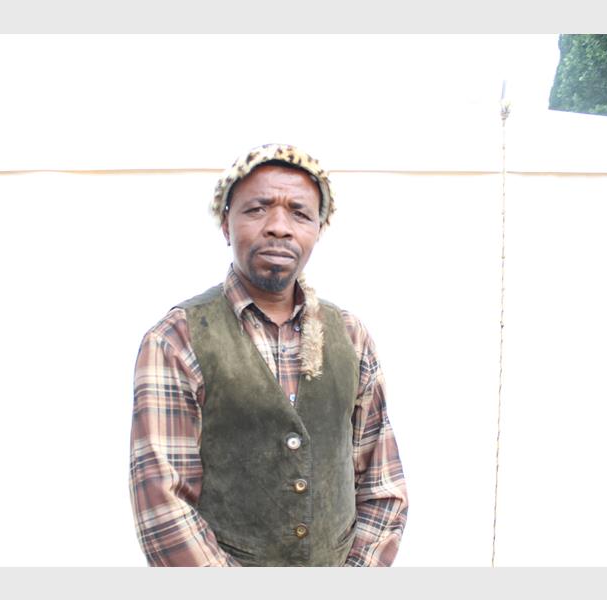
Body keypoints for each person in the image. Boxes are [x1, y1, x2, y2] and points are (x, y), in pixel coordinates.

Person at [129, 143, 408, 566]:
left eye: (299, 213)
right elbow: (163, 505)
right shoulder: (177, 339)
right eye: (258, 209)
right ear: (226, 224)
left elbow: (383, 487)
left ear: (318, 228)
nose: (279, 227)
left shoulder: (350, 337)